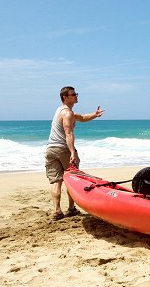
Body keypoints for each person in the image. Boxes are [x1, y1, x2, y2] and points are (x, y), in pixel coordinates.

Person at [45, 86, 104, 221]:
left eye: (76, 93)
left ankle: (56, 211)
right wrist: (72, 152)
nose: (76, 96)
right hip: (63, 150)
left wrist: (95, 115)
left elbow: (82, 117)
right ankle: (71, 209)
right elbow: (68, 133)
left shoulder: (62, 111)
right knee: (72, 179)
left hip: (51, 150)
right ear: (65, 97)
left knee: (57, 181)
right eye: (73, 94)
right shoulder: (67, 113)